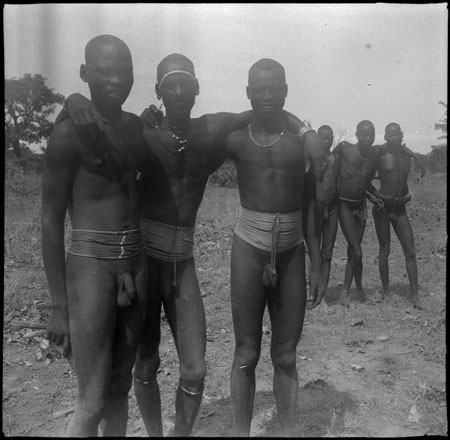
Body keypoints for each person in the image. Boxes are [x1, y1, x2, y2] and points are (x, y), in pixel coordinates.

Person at [59, 53, 320, 437]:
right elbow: (91, 123)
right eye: (171, 85)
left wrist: (309, 131)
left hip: (183, 260)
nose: (180, 92)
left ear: (198, 90)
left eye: (187, 84)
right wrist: (73, 100)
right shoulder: (140, 134)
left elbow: (266, 110)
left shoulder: (210, 133)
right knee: (145, 365)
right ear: (159, 92)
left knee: (195, 370)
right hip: (145, 259)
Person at [41, 35, 148, 436]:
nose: (118, 80)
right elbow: (50, 221)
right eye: (106, 72)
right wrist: (57, 305)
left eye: (126, 72)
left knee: (120, 391)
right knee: (92, 400)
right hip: (90, 266)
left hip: (135, 264)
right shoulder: (69, 135)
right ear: (86, 73)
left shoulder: (137, 128)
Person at [225, 58, 325, 437]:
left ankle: (285, 433)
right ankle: (240, 433)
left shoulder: (301, 144)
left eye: (274, 88)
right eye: (259, 89)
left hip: (291, 250)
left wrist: (317, 264)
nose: (267, 95)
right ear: (248, 92)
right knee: (246, 354)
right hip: (248, 249)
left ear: (286, 91)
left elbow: (313, 205)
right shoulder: (234, 138)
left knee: (284, 355)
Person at [367, 122, 425, 309]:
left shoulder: (406, 154)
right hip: (383, 208)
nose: (395, 138)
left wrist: (419, 161)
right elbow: (364, 180)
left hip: (400, 208)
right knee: (385, 250)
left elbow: (410, 153)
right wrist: (377, 197)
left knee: (410, 251)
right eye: (391, 135)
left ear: (401, 135)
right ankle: (386, 292)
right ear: (385, 137)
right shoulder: (380, 154)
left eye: (398, 134)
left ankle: (415, 296)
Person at [333, 120, 384, 307]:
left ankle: (358, 289)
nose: (367, 138)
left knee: (354, 252)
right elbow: (328, 165)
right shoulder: (345, 149)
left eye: (371, 134)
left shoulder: (373, 157)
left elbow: (365, 182)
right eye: (364, 134)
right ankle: (347, 292)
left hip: (360, 206)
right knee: (357, 250)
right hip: (344, 205)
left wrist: (375, 196)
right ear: (357, 135)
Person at [306, 125, 340, 310]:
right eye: (323, 138)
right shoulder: (311, 159)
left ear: (333, 139)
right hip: (316, 208)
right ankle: (312, 292)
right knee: (315, 254)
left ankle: (322, 295)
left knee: (327, 253)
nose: (326, 141)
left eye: (329, 138)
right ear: (318, 139)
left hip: (333, 208)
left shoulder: (338, 159)